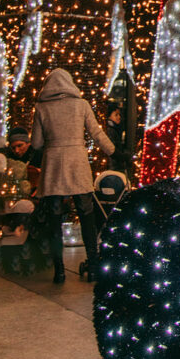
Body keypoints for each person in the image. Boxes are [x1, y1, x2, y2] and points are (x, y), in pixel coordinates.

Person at [31, 68, 114, 284]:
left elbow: (37, 144)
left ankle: (59, 271)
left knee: (55, 220)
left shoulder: (41, 108)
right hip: (77, 163)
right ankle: (94, 267)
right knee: (86, 216)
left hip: (53, 166)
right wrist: (114, 151)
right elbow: (96, 133)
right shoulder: (81, 105)